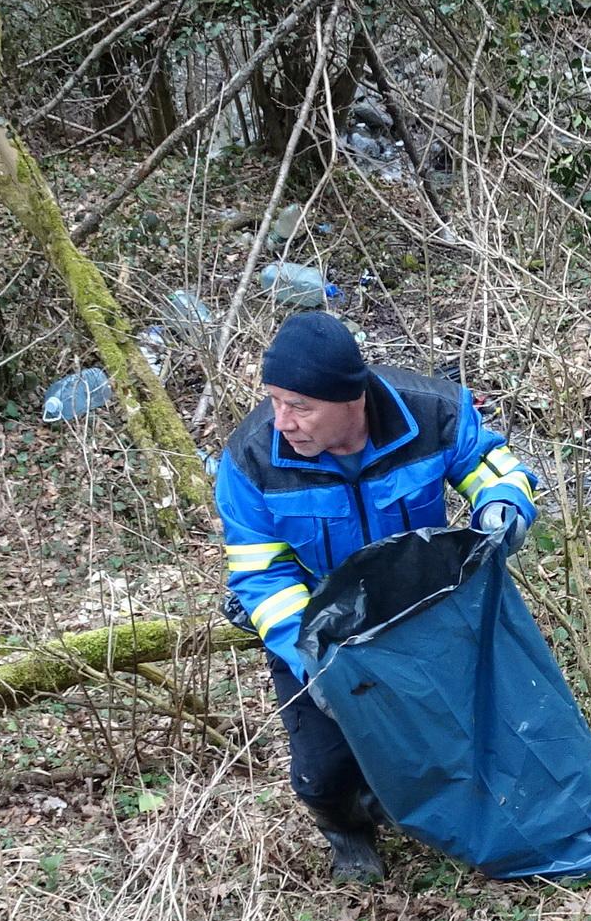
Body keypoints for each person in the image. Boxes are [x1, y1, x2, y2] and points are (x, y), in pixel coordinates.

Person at [215, 313, 539, 882]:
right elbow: (259, 574)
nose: (281, 421)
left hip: (417, 610)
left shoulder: (432, 409)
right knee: (324, 768)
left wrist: (501, 508)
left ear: (351, 399)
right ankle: (346, 826)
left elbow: (494, 466)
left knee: (438, 731)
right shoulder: (251, 460)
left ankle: (433, 809)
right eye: (273, 401)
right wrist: (317, 660)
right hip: (313, 622)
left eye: (300, 406)